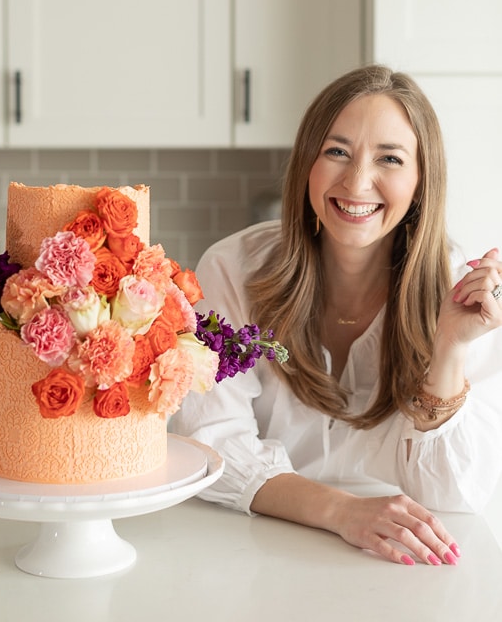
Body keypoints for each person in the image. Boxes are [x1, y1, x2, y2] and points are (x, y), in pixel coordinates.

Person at [171, 64, 502, 567]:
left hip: (406, 556)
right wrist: (343, 512)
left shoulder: (461, 289)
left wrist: (449, 348)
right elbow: (211, 446)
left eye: (389, 158)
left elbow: (452, 493)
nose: (358, 181)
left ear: (421, 179)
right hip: (253, 542)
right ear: (308, 162)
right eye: (337, 152)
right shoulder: (235, 268)